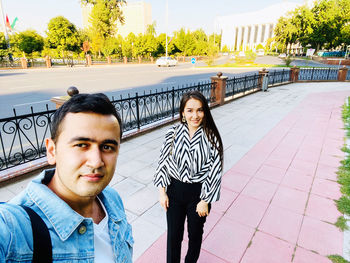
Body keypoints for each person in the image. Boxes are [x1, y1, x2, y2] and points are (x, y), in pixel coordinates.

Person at [0, 93, 133, 262]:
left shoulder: (112, 199)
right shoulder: (14, 227)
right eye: (81, 145)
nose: (96, 162)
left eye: (107, 147)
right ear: (51, 151)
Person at [154, 90, 223, 263]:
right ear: (183, 112)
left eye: (199, 110)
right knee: (174, 235)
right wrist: (162, 192)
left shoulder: (211, 136)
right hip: (175, 191)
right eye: (190, 110)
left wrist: (205, 200)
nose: (195, 115)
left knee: (195, 235)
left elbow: (215, 171)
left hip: (198, 194)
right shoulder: (173, 133)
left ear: (205, 112)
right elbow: (163, 162)